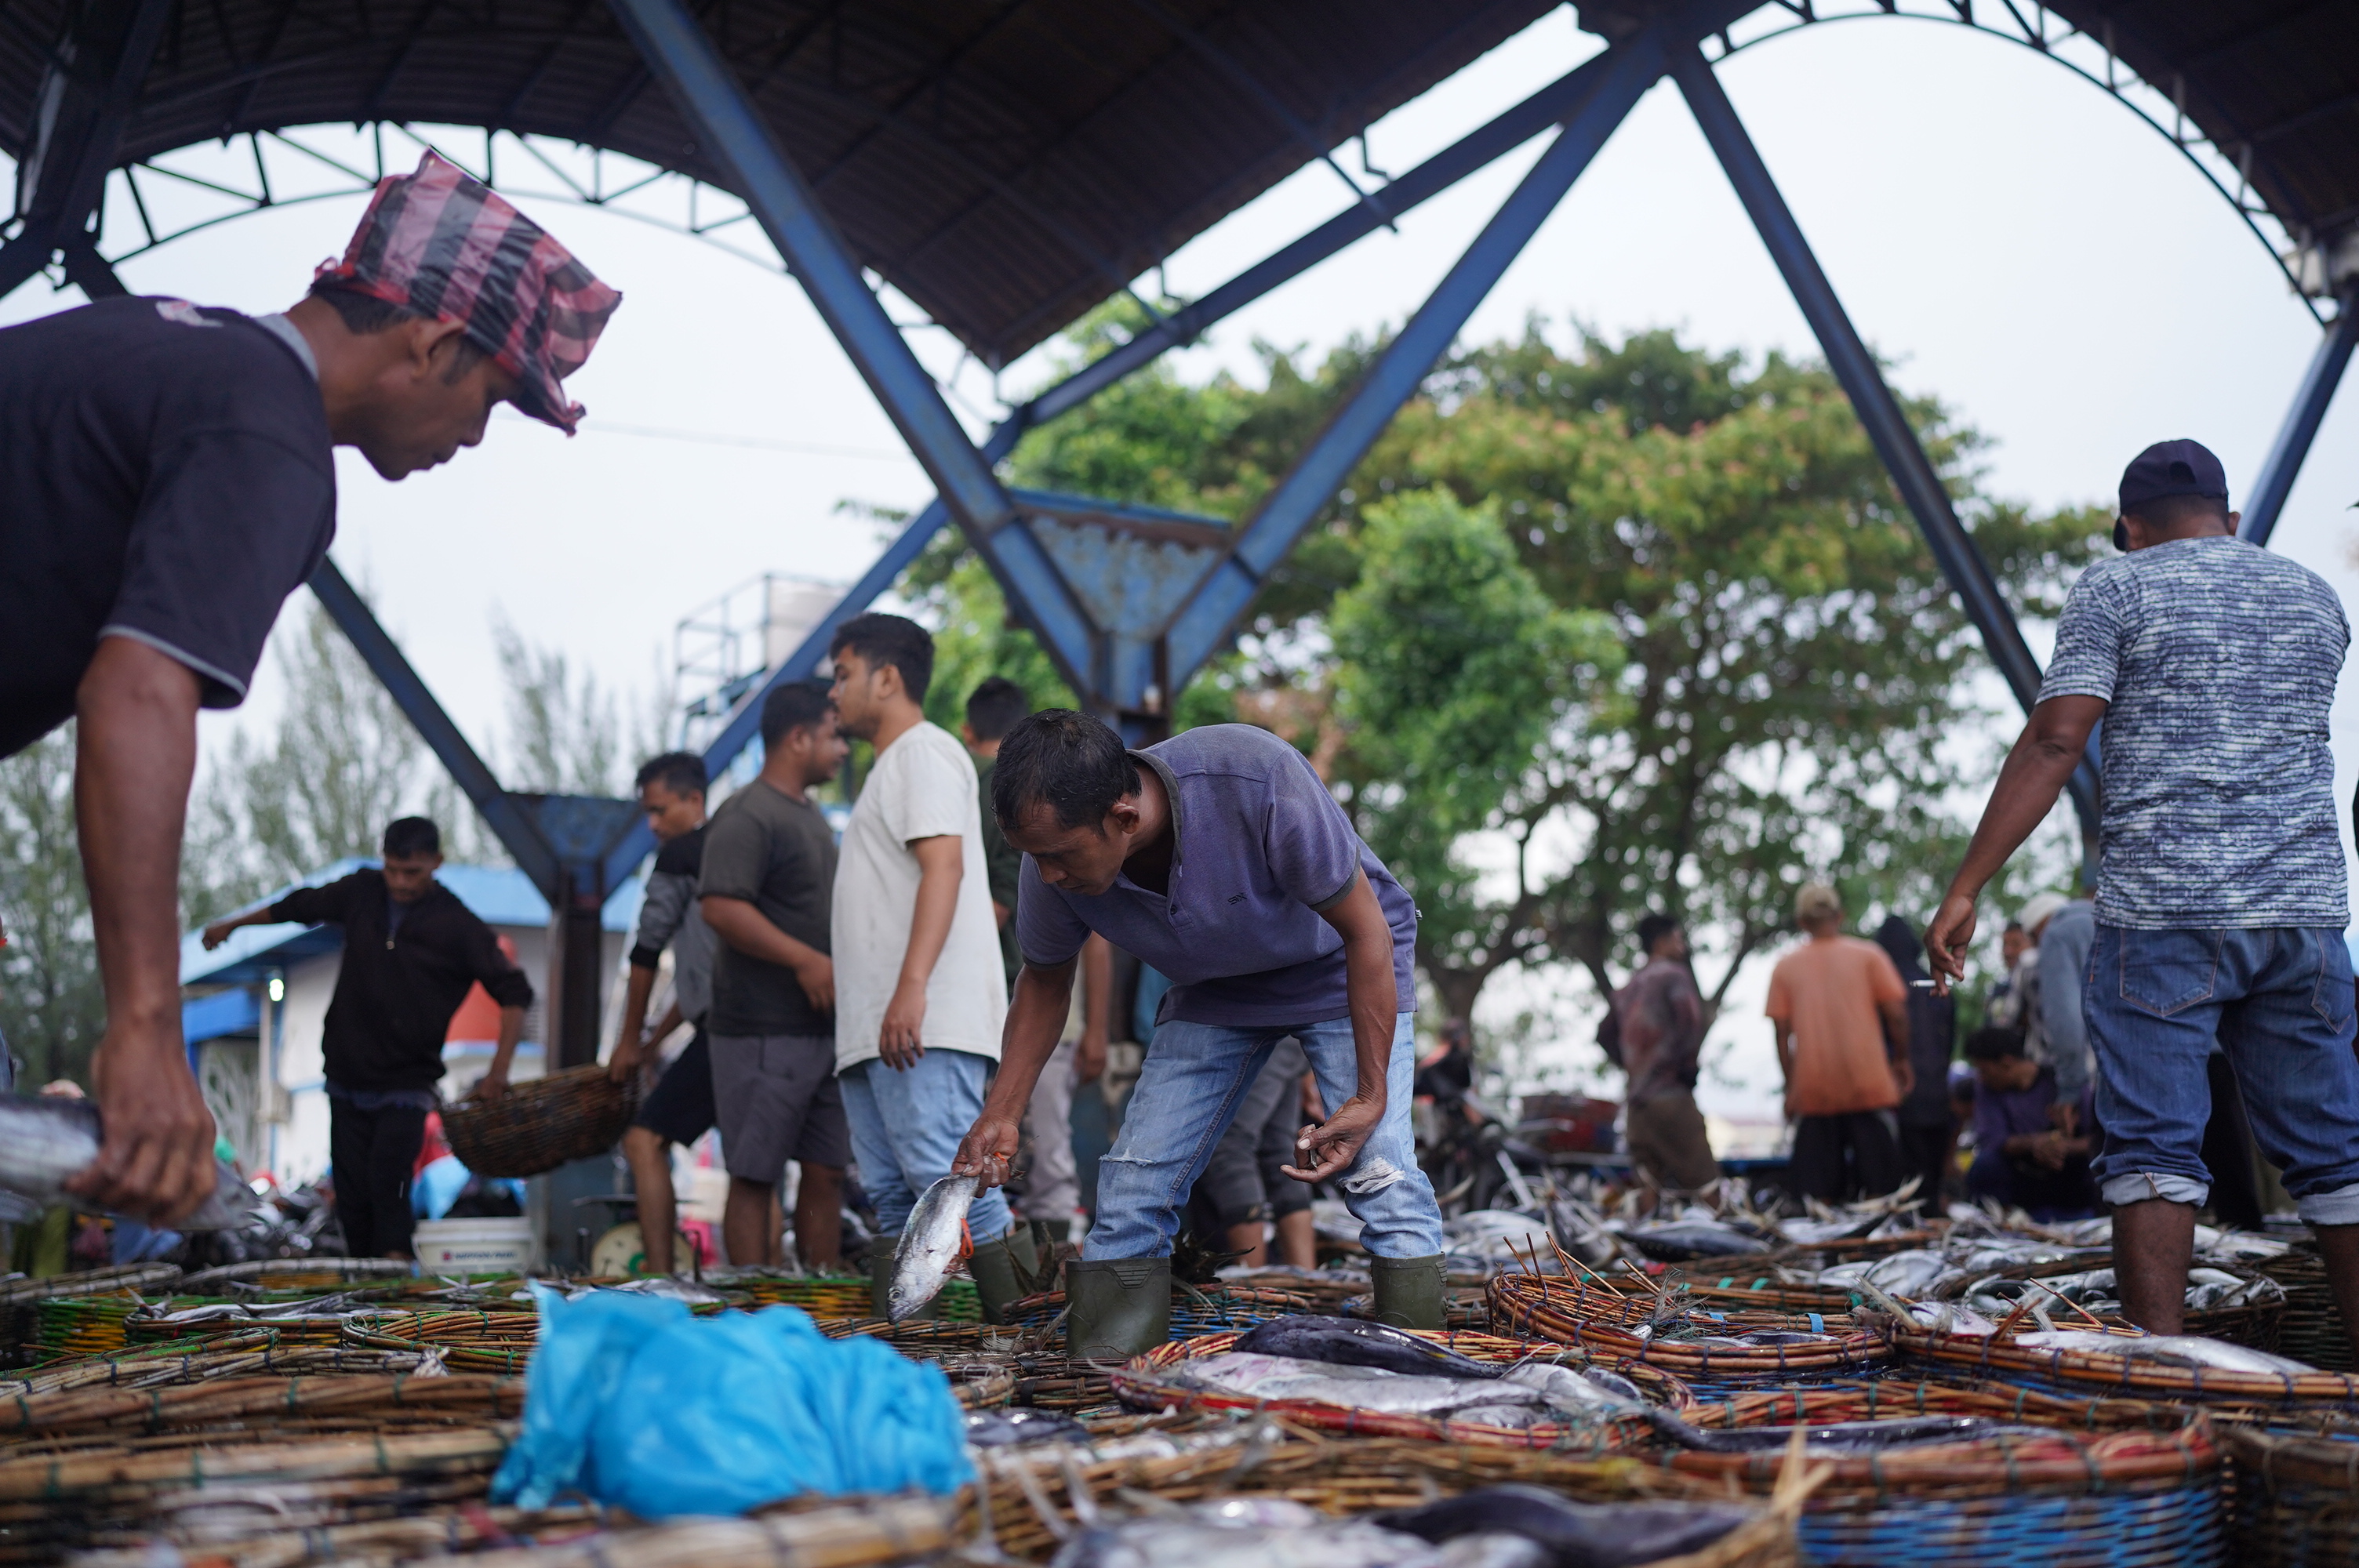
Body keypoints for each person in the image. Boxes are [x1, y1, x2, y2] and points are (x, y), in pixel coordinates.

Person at [2, 151, 617, 1225]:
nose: (474, 436)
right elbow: (137, 691)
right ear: (436, 343)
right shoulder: (269, 435)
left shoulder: (172, 344)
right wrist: (144, 1028)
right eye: (490, 399)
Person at [1927, 438, 2359, 1346]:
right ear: (2229, 518)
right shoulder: (2313, 597)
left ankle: (2158, 1375)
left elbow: (2053, 741)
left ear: (2129, 528)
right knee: (2335, 1152)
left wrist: (1967, 886)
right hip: (2302, 915)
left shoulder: (2115, 587)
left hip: (2163, 910)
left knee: (2154, 1148)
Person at [954, 712, 1447, 1354]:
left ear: (1124, 817)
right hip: (1214, 989)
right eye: (1033, 858)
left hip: (1337, 965)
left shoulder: (1253, 778)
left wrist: (1371, 1093)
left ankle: (1420, 1367)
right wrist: (1002, 1110)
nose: (1048, 877)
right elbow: (1045, 982)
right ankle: (1109, 1377)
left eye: (1059, 856)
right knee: (1132, 1186)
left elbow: (1367, 930)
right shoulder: (1052, 860)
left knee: (1381, 1171)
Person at [202, 818, 531, 1259]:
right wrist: (234, 924)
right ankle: (362, 1290)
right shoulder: (362, 891)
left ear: (436, 863)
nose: (399, 882)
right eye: (392, 869)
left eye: (411, 872)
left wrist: (498, 1073)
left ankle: (394, 1288)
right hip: (346, 1076)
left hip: (406, 1086)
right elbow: (300, 905)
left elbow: (515, 992)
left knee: (389, 1187)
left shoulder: (457, 926)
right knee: (352, 1196)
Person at [826, 616, 1031, 1318]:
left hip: (923, 1022)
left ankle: (1017, 1342)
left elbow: (943, 865)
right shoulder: (895, 765)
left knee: (952, 1188)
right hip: (883, 1030)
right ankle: (920, 1349)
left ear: (887, 678)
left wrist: (911, 988)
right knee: (895, 1199)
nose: (834, 692)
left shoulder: (922, 752)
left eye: (842, 673)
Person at [696, 682, 851, 1274]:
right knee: (756, 1173)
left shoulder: (811, 815)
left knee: (827, 1170)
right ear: (798, 738)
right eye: (833, 736)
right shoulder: (749, 812)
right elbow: (720, 906)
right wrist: (805, 960)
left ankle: (816, 1305)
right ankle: (754, 1305)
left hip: (821, 1031)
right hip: (760, 1029)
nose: (841, 749)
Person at [965, 676, 1109, 1244]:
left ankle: (1051, 1272)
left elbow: (1091, 928)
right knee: (1044, 1152)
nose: (1047, 873)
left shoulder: (1013, 801)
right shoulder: (1034, 810)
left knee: (1040, 1150)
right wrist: (1097, 1028)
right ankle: (1041, 1273)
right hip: (1023, 997)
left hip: (1004, 997)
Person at [605, 752, 718, 1276]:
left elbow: (646, 951)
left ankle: (660, 1276)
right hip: (756, 1027)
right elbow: (701, 978)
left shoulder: (678, 856)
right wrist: (654, 1040)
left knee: (643, 1139)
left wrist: (628, 1042)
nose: (653, 825)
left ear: (694, 799)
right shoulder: (735, 847)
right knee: (755, 1173)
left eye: (659, 810)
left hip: (725, 1033)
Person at [1765, 884, 1912, 1203]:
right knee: (1880, 1192)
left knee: (1818, 1198)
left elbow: (1781, 1034)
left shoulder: (1786, 966)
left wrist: (1791, 1086)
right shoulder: (1869, 956)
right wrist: (1901, 1060)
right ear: (1840, 916)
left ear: (1802, 922)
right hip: (1868, 1085)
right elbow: (1897, 1017)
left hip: (1814, 1091)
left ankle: (1827, 1251)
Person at [1187, 1037, 1319, 1269]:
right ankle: (1306, 1280)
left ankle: (1254, 1288)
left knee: (1232, 1146)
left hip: (1260, 1027)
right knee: (1280, 1149)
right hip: (1292, 1033)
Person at [1613, 915, 1720, 1192]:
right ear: (1661, 942)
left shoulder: (1629, 986)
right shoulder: (1673, 976)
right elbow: (1691, 1025)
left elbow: (1604, 1034)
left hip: (1637, 1105)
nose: (1682, 947)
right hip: (1670, 1097)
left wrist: (1635, 1069)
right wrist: (1686, 1070)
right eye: (1678, 939)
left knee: (1646, 1187)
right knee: (1707, 1185)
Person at [1961, 1028, 2098, 1219]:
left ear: (2006, 1063)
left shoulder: (2063, 1082)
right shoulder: (1987, 1089)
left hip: (2067, 1172)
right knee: (1985, 1165)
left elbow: (2095, 1139)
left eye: (1984, 1070)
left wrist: (2059, 1147)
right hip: (2019, 1173)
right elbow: (1993, 1140)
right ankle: (1998, 1219)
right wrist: (2036, 1144)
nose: (1981, 1077)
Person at [1874, 915, 1956, 1205]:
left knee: (1901, 1183)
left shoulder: (1883, 988)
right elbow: (1948, 1044)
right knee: (1930, 1181)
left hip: (1899, 1096)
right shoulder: (1936, 984)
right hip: (1937, 1094)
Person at [965, 676, 1032, 986]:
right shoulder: (1031, 786)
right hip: (1008, 969)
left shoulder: (960, 783)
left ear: (968, 732)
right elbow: (1003, 898)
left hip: (968, 969)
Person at [1984, 922, 2030, 1030]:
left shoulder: (2037, 988)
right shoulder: (1998, 990)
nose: (2008, 952)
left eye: (2016, 944)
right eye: (2005, 945)